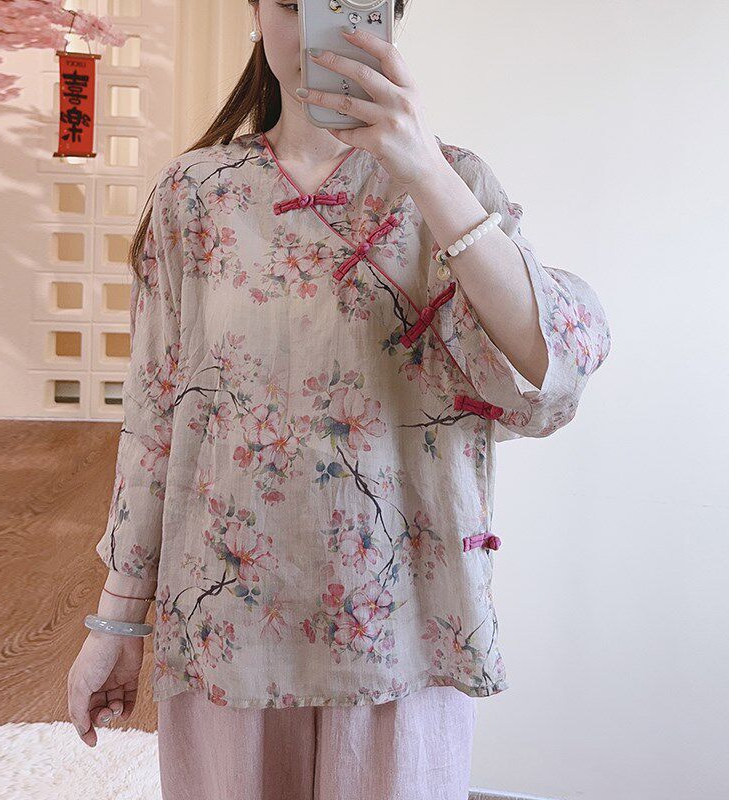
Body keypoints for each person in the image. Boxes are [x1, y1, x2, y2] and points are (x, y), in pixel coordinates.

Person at [67, 1, 612, 797]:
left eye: (348, 2)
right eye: (292, 4)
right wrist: (116, 621)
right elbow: (154, 421)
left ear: (390, 15)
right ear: (256, 14)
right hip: (228, 626)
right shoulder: (196, 194)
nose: (316, 31)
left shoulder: (453, 183)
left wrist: (425, 172)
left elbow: (547, 372)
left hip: (403, 629)